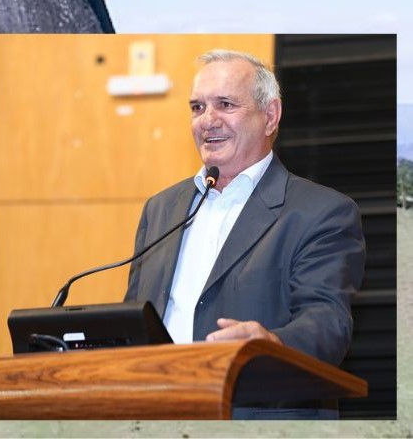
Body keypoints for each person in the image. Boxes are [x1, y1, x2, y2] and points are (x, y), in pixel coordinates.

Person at [124, 49, 365, 417]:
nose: (209, 120)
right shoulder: (160, 209)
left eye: (225, 104)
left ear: (270, 116)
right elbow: (134, 318)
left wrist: (272, 343)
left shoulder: (321, 212)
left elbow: (327, 322)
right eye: (197, 108)